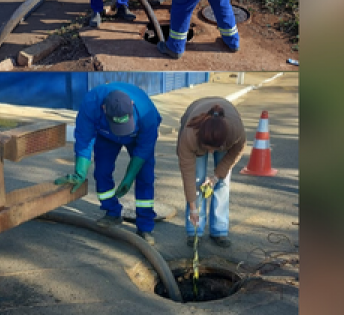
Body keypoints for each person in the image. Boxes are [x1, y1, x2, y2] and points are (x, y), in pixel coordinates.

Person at [55, 83, 162, 245]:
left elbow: (145, 148)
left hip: (137, 136)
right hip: (106, 135)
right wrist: (80, 172)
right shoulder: (91, 104)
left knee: (145, 177)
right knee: (102, 172)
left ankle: (145, 226)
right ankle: (112, 212)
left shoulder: (147, 112)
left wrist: (129, 176)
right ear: (104, 109)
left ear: (131, 105)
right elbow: (84, 139)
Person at [176, 98, 247, 248]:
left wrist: (216, 177)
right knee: (197, 180)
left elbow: (234, 154)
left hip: (224, 138)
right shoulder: (190, 135)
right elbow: (187, 174)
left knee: (223, 181)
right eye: (208, 148)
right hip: (195, 133)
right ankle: (195, 230)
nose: (211, 152)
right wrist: (193, 208)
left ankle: (219, 230)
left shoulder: (236, 132)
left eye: (213, 149)